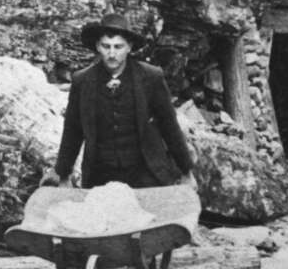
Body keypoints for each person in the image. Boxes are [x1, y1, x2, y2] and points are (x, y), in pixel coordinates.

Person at [43, 12, 195, 190]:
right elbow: (72, 131)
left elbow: (169, 126)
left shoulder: (151, 77)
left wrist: (186, 171)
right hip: (100, 174)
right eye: (106, 46)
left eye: (118, 46)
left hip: (145, 172)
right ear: (98, 47)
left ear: (129, 47)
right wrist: (63, 174)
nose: (112, 53)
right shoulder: (83, 81)